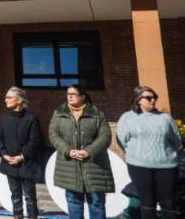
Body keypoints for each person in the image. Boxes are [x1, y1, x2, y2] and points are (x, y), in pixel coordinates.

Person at [48, 84, 114, 219]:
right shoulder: (59, 114)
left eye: (73, 94)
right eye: (68, 94)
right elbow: (53, 135)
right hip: (70, 167)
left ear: (83, 97)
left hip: (94, 167)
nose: (70, 96)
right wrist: (68, 150)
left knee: (96, 203)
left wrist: (88, 151)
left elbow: (105, 136)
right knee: (74, 202)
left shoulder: (97, 114)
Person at [117, 85, 182, 219]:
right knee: (147, 204)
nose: (153, 100)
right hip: (139, 167)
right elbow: (122, 140)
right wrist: (136, 154)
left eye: (154, 97)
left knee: (169, 205)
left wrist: (163, 154)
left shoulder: (165, 118)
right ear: (138, 100)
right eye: (148, 98)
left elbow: (176, 141)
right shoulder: (127, 117)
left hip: (167, 166)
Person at [0, 87, 44, 219]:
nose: (5, 100)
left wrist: (22, 156)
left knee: (30, 196)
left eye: (9, 97)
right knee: (15, 195)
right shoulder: (4, 118)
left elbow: (35, 141)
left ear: (19, 100)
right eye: (6, 97)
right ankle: (17, 216)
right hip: (9, 163)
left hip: (26, 164)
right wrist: (4, 154)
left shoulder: (31, 119)